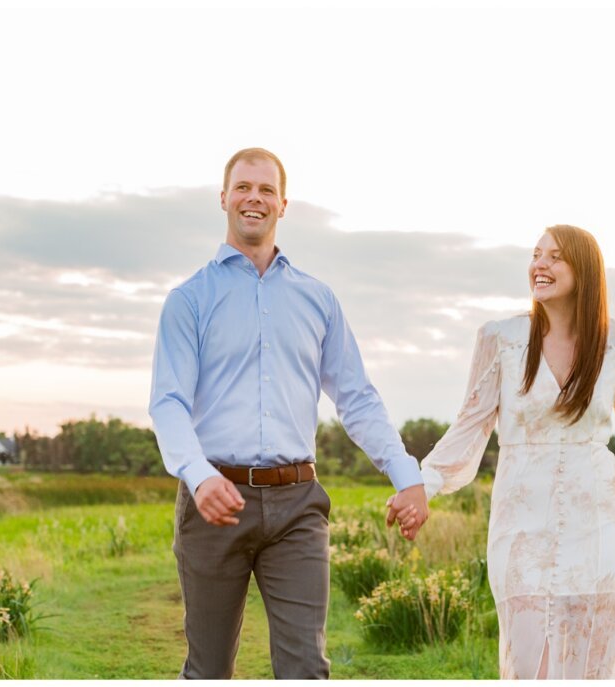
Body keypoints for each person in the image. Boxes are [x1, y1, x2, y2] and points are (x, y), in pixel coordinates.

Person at [148, 147, 429, 679]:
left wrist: (406, 475)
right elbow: (168, 403)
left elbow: (357, 398)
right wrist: (198, 474)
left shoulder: (317, 299)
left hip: (298, 504)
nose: (254, 198)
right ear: (224, 197)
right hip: (214, 503)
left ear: (283, 204)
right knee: (208, 669)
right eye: (244, 187)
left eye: (266, 189)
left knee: (306, 669)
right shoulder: (189, 300)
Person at [388, 224, 615, 679]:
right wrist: (422, 483)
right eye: (536, 255)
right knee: (528, 664)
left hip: (599, 526)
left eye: (554, 256)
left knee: (595, 663)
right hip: (521, 528)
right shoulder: (500, 338)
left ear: (585, 269)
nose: (539, 265)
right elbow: (470, 424)